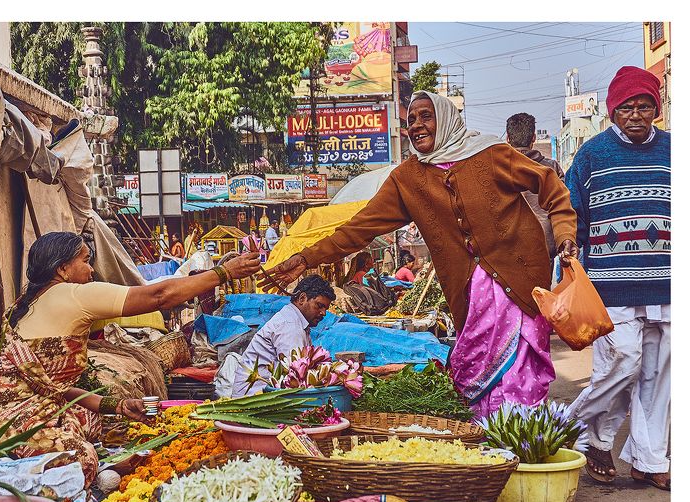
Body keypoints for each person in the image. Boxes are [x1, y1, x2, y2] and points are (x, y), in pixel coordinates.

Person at [261, 90, 579, 418]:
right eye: (411, 119)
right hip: (469, 297)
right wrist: (306, 258)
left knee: (520, 373)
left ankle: (521, 438)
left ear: (446, 119)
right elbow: (358, 228)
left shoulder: (491, 154)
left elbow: (551, 185)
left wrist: (565, 234)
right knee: (476, 374)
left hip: (521, 284)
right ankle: (489, 437)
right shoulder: (407, 178)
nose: (416, 125)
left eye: (426, 116)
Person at [0, 231, 261, 488]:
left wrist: (119, 406)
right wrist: (223, 272)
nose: (91, 270)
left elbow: (51, 389)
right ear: (62, 269)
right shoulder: (73, 293)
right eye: (85, 261)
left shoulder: (25, 302)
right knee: (82, 459)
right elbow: (158, 296)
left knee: (90, 419)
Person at [565, 66, 671, 491]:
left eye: (644, 105)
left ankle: (650, 460)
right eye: (626, 107)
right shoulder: (592, 154)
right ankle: (574, 427)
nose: (636, 114)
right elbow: (571, 212)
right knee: (624, 362)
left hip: (667, 283)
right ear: (612, 111)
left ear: (656, 109)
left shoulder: (674, 150)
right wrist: (568, 251)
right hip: (611, 285)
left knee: (658, 376)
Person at [230, 275, 336, 397]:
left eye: (325, 308)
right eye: (319, 305)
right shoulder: (290, 325)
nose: (323, 313)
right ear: (302, 298)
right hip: (253, 398)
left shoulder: (296, 321)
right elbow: (297, 373)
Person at [506, 112, 566, 259]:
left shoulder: (498, 169)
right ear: (534, 138)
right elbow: (563, 207)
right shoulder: (551, 168)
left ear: (507, 138)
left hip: (509, 249)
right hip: (544, 248)